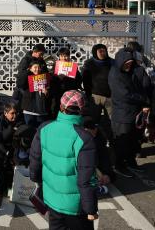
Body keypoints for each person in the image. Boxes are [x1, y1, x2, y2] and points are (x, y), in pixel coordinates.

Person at [29, 90, 98, 230]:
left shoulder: (44, 128)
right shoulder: (84, 138)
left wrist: (36, 179)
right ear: (81, 110)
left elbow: (35, 160)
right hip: (75, 206)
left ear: (61, 107)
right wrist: (90, 209)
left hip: (51, 198)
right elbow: (86, 178)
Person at [109, 48, 151, 177]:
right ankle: (119, 165)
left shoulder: (131, 72)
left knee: (133, 141)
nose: (129, 66)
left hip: (133, 112)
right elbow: (125, 95)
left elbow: (141, 87)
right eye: (126, 63)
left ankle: (131, 162)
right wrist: (143, 99)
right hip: (122, 114)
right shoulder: (115, 74)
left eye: (130, 63)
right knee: (122, 142)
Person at [82, 44, 114, 133]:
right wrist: (88, 94)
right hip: (95, 96)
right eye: (100, 51)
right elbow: (85, 80)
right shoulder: (89, 63)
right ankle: (94, 139)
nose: (102, 53)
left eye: (104, 51)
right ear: (95, 52)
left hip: (110, 97)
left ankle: (110, 138)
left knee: (110, 120)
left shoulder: (112, 63)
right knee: (94, 119)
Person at [17, 59, 51, 129]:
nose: (37, 69)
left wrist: (46, 93)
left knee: (40, 131)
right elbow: (20, 84)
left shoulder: (44, 78)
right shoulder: (26, 78)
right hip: (29, 111)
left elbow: (49, 95)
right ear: (30, 68)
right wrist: (27, 72)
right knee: (30, 131)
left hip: (42, 111)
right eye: (35, 67)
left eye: (39, 67)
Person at [50, 47, 83, 118]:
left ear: (68, 56)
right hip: (57, 94)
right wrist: (58, 78)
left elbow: (79, 80)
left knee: (68, 111)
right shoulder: (56, 66)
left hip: (69, 95)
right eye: (61, 56)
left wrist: (71, 77)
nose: (64, 58)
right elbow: (50, 80)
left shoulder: (73, 66)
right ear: (59, 57)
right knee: (55, 111)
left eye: (65, 56)